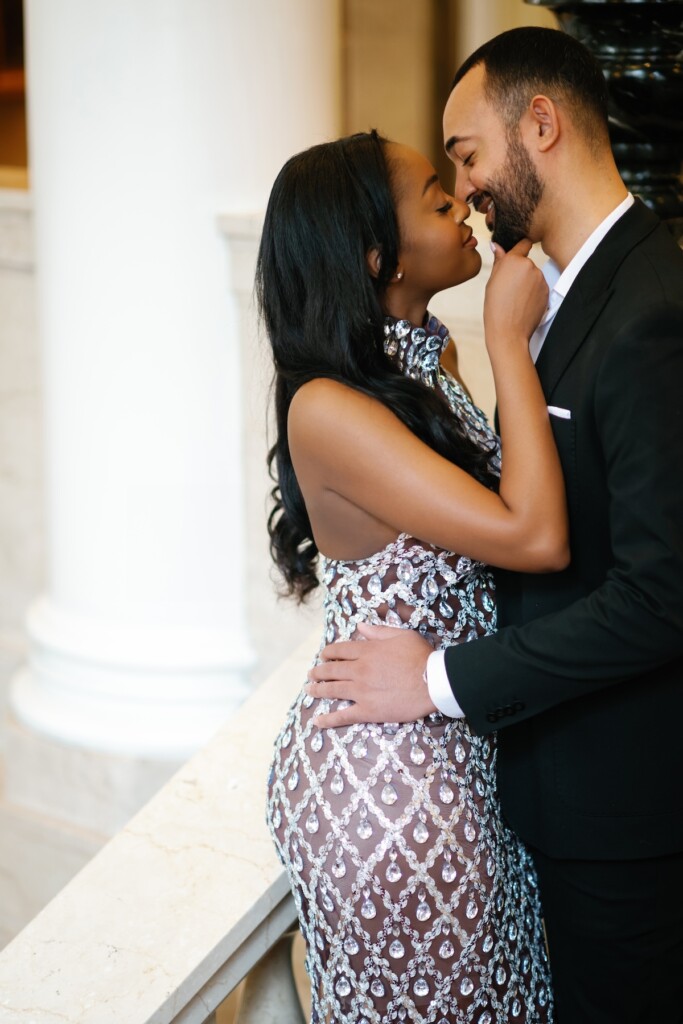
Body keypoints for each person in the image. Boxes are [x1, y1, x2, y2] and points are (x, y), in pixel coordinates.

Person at [308, 28, 683, 1023]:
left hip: (623, 810)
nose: (465, 187)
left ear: (541, 126)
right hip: (532, 789)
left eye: (466, 155)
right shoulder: (557, 297)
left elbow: (659, 596)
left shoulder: (647, 309)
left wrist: (435, 679)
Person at [260, 128, 566, 1022]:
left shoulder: (424, 361)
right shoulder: (328, 406)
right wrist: (510, 336)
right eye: (438, 199)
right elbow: (534, 535)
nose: (467, 203)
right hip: (390, 783)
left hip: (454, 742)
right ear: (372, 253)